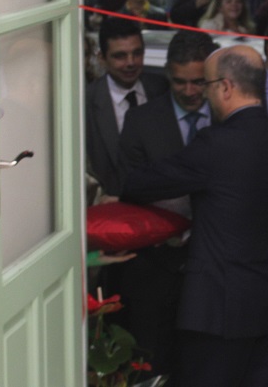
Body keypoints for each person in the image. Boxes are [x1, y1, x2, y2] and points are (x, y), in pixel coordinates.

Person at [121, 45, 268, 387]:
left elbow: (140, 184)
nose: (203, 94)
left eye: (206, 85)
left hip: (219, 309)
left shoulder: (216, 143)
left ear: (226, 87)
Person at [107, 30, 220, 384]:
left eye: (198, 82)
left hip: (216, 269)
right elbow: (130, 191)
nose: (189, 91)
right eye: (179, 81)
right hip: (154, 272)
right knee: (152, 365)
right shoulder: (141, 122)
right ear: (168, 73)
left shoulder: (230, 118)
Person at [85, 17, 168, 197]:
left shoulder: (162, 89)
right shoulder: (86, 103)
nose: (131, 62)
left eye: (137, 53)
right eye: (120, 56)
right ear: (102, 58)